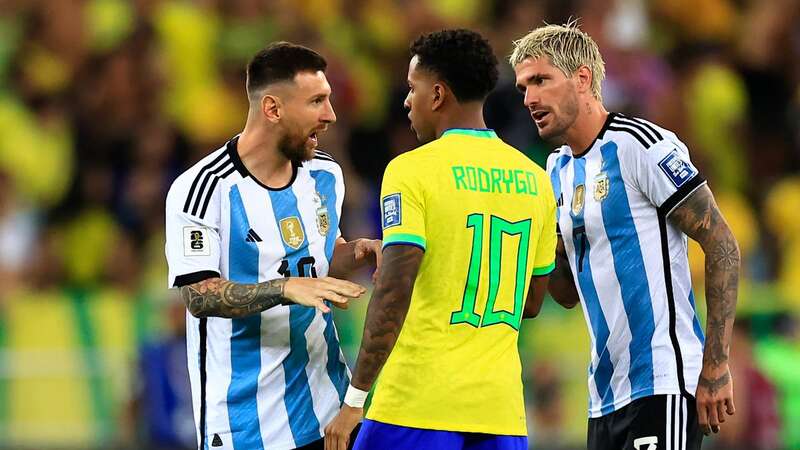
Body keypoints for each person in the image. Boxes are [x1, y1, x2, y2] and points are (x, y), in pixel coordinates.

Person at [509, 22, 741, 450]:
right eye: (523, 86)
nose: (529, 98)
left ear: (581, 79)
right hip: (603, 396)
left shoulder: (640, 145)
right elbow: (565, 292)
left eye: (541, 80)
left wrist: (715, 365)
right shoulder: (555, 171)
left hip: (663, 381)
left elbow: (722, 244)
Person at [324, 29, 558, 450]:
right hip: (500, 412)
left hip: (417, 404)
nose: (406, 101)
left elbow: (394, 288)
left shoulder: (412, 171)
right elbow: (532, 301)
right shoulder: (536, 179)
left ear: (436, 95)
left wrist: (355, 399)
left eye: (412, 89)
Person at [164, 42, 381, 450]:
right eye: (317, 101)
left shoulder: (325, 174)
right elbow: (199, 296)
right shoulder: (203, 189)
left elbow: (322, 260)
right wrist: (283, 289)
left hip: (328, 409)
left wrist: (361, 251)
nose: (330, 115)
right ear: (272, 109)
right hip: (244, 423)